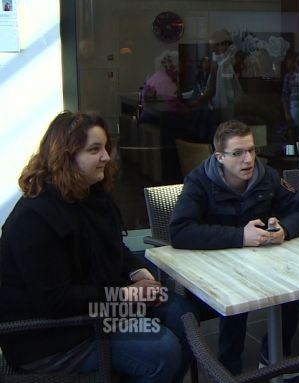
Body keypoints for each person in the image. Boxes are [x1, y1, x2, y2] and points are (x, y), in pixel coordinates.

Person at [0, 111, 195, 382]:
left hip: (94, 309)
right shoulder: (35, 219)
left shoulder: (90, 196)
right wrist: (126, 296)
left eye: (105, 147)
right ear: (65, 156)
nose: (106, 157)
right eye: (95, 150)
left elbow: (116, 248)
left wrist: (137, 273)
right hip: (51, 336)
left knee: (181, 313)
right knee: (162, 350)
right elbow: (57, 302)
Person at [169, 119, 299, 376]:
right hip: (217, 265)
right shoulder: (199, 181)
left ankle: (273, 353)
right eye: (237, 153)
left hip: (261, 262)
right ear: (219, 156)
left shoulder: (267, 176)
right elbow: (180, 231)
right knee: (235, 300)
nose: (248, 159)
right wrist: (240, 236)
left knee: (295, 289)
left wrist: (284, 228)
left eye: (251, 150)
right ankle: (229, 372)